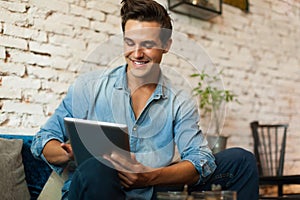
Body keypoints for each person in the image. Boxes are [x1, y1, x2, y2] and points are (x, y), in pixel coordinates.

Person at [31, 0, 259, 199]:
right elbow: (43, 139)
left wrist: (148, 176)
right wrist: (67, 153)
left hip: (152, 189)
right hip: (95, 187)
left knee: (241, 160)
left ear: (166, 45)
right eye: (130, 42)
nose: (137, 53)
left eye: (148, 44)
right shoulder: (88, 87)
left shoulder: (179, 100)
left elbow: (200, 159)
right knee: (99, 168)